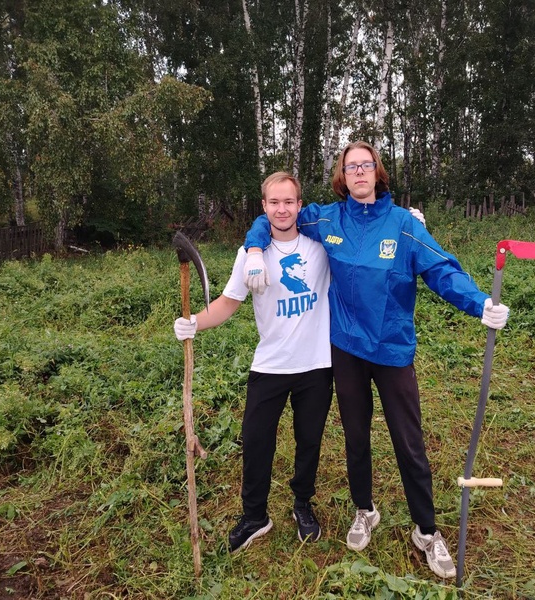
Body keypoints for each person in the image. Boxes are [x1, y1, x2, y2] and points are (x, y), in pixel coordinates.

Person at [241, 141, 509, 580]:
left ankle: (426, 530)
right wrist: (254, 249)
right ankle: (364, 509)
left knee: (409, 442)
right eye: (351, 167)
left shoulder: (403, 225)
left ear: (377, 172)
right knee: (355, 437)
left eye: (366, 165)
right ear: (342, 176)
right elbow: (275, 215)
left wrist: (478, 303)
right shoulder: (327, 218)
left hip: (391, 351)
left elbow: (442, 270)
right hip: (345, 349)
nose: (359, 173)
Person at [174, 172, 333, 553]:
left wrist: (399, 218)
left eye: (289, 202)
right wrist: (194, 321)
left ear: (299, 204)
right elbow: (228, 303)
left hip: (316, 364)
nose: (282, 209)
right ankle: (255, 515)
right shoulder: (249, 255)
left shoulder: (320, 245)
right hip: (271, 365)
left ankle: (302, 504)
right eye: (274, 202)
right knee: (257, 440)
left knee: (308, 440)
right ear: (263, 207)